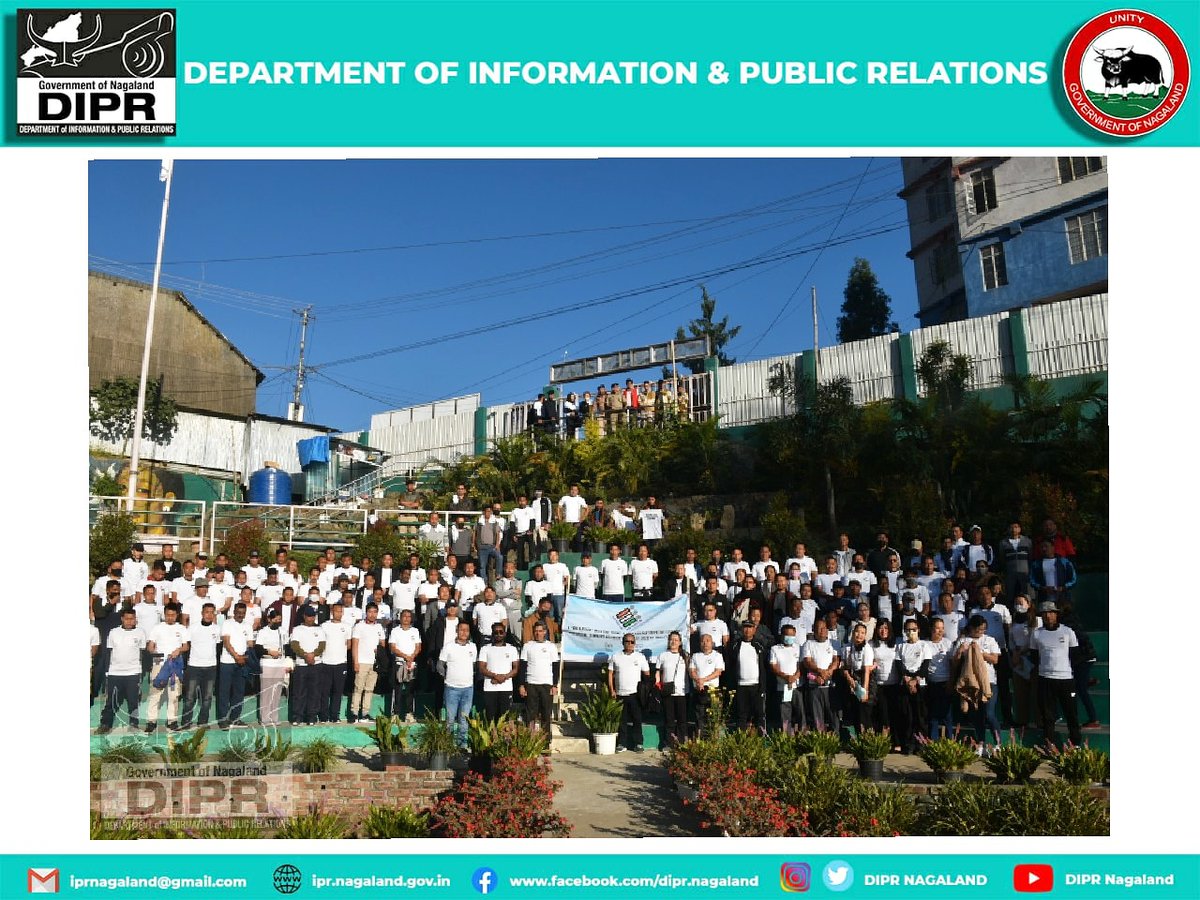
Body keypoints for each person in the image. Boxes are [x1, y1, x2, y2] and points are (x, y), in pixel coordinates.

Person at [954, 614, 1003, 749]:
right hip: (971, 683)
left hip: (989, 681)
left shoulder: (990, 640)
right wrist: (961, 651)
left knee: (989, 714)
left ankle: (998, 743)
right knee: (976, 714)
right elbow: (955, 661)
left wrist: (979, 653)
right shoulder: (963, 641)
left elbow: (995, 659)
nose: (981, 632)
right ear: (971, 628)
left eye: (983, 629)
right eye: (978, 629)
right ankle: (980, 742)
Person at [97, 609, 147, 734]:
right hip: (115, 673)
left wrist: (140, 672)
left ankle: (134, 725)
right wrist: (107, 672)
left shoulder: (140, 632)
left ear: (136, 619)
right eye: (127, 618)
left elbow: (142, 653)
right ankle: (105, 724)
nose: (129, 621)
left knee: (133, 701)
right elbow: (108, 653)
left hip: (133, 673)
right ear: (122, 619)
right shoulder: (114, 632)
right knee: (111, 702)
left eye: (132, 618)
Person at [145, 602, 189, 732]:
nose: (170, 617)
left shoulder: (182, 628)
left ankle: (172, 721)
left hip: (175, 664)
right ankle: (151, 722)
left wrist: (178, 650)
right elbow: (151, 646)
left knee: (174, 695)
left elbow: (186, 646)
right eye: (168, 615)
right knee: (155, 693)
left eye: (173, 615)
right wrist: (153, 652)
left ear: (177, 615)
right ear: (164, 614)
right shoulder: (157, 628)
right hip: (160, 664)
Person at [180, 602, 221, 730]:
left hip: (210, 667)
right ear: (202, 613)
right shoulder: (192, 628)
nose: (209, 615)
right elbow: (186, 647)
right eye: (207, 612)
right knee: (190, 697)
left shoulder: (217, 629)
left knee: (207, 697)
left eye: (211, 612)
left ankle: (203, 722)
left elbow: (218, 648)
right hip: (194, 666)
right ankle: (186, 722)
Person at [519, 621, 560, 751]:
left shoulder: (551, 647)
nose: (538, 633)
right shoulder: (527, 646)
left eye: (541, 631)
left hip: (546, 684)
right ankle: (530, 741)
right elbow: (523, 666)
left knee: (546, 714)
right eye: (536, 631)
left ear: (545, 632)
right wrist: (522, 685)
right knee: (531, 715)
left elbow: (555, 666)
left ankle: (545, 742)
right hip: (531, 683)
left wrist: (554, 684)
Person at [439, 620, 478, 748]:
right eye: (461, 629)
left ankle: (462, 746)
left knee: (464, 720)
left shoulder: (473, 647)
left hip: (468, 688)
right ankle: (447, 745)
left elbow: (474, 666)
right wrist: (448, 677)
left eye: (466, 630)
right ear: (457, 631)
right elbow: (440, 665)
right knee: (450, 719)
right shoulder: (448, 646)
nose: (464, 632)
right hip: (451, 688)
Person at [608, 633, 650, 752]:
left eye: (632, 642)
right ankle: (622, 743)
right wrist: (612, 690)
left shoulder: (640, 657)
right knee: (622, 721)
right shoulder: (616, 656)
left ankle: (638, 743)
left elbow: (647, 674)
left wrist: (644, 690)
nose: (630, 644)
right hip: (620, 693)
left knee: (637, 719)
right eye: (627, 641)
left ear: (635, 644)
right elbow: (610, 674)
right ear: (623, 643)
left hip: (635, 694)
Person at [726, 619, 770, 733]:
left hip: (756, 685)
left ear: (754, 630)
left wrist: (763, 686)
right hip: (741, 685)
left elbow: (764, 666)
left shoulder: (759, 645)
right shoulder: (736, 645)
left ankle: (761, 739)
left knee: (759, 715)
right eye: (745, 627)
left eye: (750, 627)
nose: (747, 630)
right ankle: (741, 740)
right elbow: (731, 665)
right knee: (741, 715)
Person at [895, 619, 932, 753]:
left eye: (914, 629)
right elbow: (899, 665)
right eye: (908, 630)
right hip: (904, 684)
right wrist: (907, 680)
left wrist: (915, 680)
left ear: (918, 630)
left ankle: (921, 744)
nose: (911, 632)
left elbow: (925, 666)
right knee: (907, 716)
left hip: (920, 685)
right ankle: (908, 745)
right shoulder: (900, 647)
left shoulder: (924, 646)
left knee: (920, 716)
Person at [216, 602, 255, 727]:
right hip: (227, 662)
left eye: (242, 613)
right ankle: (223, 719)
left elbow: (250, 644)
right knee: (224, 691)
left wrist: (244, 658)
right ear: (234, 612)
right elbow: (226, 643)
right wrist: (236, 656)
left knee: (239, 692)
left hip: (242, 663)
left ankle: (235, 718)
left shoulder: (248, 626)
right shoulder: (227, 623)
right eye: (238, 613)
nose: (240, 615)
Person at [801, 618, 841, 733]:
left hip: (830, 686)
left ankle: (835, 739)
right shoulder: (808, 644)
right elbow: (807, 662)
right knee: (817, 716)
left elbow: (836, 661)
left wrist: (827, 672)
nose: (823, 631)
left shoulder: (834, 643)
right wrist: (819, 672)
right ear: (814, 630)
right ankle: (820, 740)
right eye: (819, 628)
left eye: (825, 628)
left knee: (833, 715)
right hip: (815, 685)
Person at [289, 607, 326, 726]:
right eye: (309, 616)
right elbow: (295, 645)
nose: (311, 618)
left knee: (314, 692)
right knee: (299, 692)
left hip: (316, 664)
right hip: (301, 664)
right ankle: (297, 716)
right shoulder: (297, 629)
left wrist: (313, 655)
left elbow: (322, 646)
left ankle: (311, 716)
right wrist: (305, 655)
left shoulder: (319, 629)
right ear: (304, 616)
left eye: (313, 616)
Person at [318, 602, 353, 723]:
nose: (338, 613)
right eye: (336, 611)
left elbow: (349, 644)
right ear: (332, 612)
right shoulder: (324, 626)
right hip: (326, 662)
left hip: (341, 663)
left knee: (337, 691)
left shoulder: (347, 626)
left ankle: (334, 716)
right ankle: (323, 715)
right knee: (325, 691)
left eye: (340, 611)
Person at [870, 620, 902, 749]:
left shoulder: (897, 643)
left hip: (894, 683)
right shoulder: (872, 644)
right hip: (879, 684)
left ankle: (897, 742)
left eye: (886, 628)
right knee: (882, 714)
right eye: (881, 628)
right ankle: (883, 742)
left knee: (895, 714)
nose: (883, 631)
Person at [478, 623, 520, 721]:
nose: (498, 634)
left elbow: (515, 669)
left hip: (506, 688)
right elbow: (481, 668)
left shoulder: (512, 649)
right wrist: (495, 676)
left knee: (504, 719)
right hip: (489, 689)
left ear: (505, 633)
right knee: (490, 719)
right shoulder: (485, 648)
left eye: (501, 632)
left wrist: (503, 677)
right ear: (492, 633)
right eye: (496, 632)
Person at [839, 622, 877, 731]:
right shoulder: (846, 648)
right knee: (855, 714)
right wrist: (849, 679)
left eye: (862, 633)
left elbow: (866, 671)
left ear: (865, 635)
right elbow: (843, 666)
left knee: (865, 713)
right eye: (857, 632)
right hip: (851, 678)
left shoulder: (867, 649)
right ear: (853, 633)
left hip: (865, 680)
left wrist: (864, 691)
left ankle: (869, 741)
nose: (859, 635)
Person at [654, 631, 690, 745]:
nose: (673, 642)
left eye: (676, 640)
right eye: (671, 639)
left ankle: (681, 743)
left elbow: (691, 670)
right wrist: (658, 683)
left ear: (680, 642)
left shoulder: (685, 655)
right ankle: (668, 743)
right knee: (669, 720)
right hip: (668, 691)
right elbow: (658, 672)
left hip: (682, 692)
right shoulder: (663, 655)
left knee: (682, 720)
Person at [255, 606, 288, 726]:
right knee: (267, 692)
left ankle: (274, 717)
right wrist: (269, 652)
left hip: (280, 663)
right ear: (269, 619)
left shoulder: (283, 631)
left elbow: (286, 646)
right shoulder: (263, 631)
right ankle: (264, 718)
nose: (278, 622)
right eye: (276, 619)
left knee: (277, 691)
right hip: (268, 663)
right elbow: (258, 649)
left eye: (279, 619)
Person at [924, 618, 955, 740]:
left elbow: (953, 664)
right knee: (933, 715)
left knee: (947, 715)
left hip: (945, 682)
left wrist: (951, 682)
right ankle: (934, 742)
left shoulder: (948, 643)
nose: (940, 631)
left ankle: (950, 742)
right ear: (931, 629)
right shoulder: (924, 644)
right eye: (937, 628)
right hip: (931, 683)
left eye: (942, 628)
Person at [388, 609, 422, 721]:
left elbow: (418, 647)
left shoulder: (415, 631)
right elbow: (393, 647)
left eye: (408, 616)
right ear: (400, 618)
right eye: (404, 616)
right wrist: (405, 656)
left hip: (411, 664)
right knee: (397, 689)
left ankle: (409, 713)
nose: (406, 618)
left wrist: (411, 657)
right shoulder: (395, 631)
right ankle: (395, 714)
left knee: (410, 690)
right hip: (399, 663)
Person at [475, 506, 505, 583]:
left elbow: (498, 533)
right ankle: (483, 580)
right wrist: (474, 544)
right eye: (486, 511)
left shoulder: (494, 522)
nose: (488, 513)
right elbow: (474, 533)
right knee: (482, 565)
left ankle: (498, 574)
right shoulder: (479, 522)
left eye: (489, 511)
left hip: (492, 546)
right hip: (482, 547)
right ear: (484, 512)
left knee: (500, 557)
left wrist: (497, 545)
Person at [542, 549, 571, 622]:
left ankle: (559, 632)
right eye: (551, 555)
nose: (553, 557)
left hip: (559, 594)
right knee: (549, 615)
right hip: (548, 594)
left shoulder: (562, 566)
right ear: (548, 556)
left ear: (558, 556)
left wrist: (566, 590)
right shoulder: (545, 566)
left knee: (560, 614)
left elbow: (567, 579)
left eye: (554, 555)